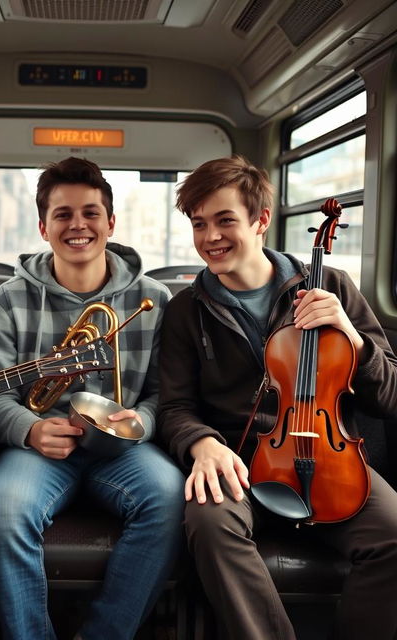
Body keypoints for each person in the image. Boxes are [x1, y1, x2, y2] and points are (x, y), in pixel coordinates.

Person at [158, 154, 397, 640]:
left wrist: (352, 337)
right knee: (208, 522)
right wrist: (202, 443)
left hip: (331, 459)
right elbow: (174, 406)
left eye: (225, 220)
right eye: (199, 224)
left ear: (261, 220)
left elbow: (389, 396)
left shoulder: (330, 286)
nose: (210, 238)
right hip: (239, 465)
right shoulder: (186, 309)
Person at [0, 156, 185, 640]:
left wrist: (139, 424)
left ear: (111, 222)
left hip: (125, 450)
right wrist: (30, 429)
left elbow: (162, 394)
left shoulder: (154, 298)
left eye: (91, 213)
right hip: (41, 449)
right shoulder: (8, 299)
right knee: (4, 510)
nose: (78, 225)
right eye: (63, 214)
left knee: (171, 499)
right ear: (43, 227)